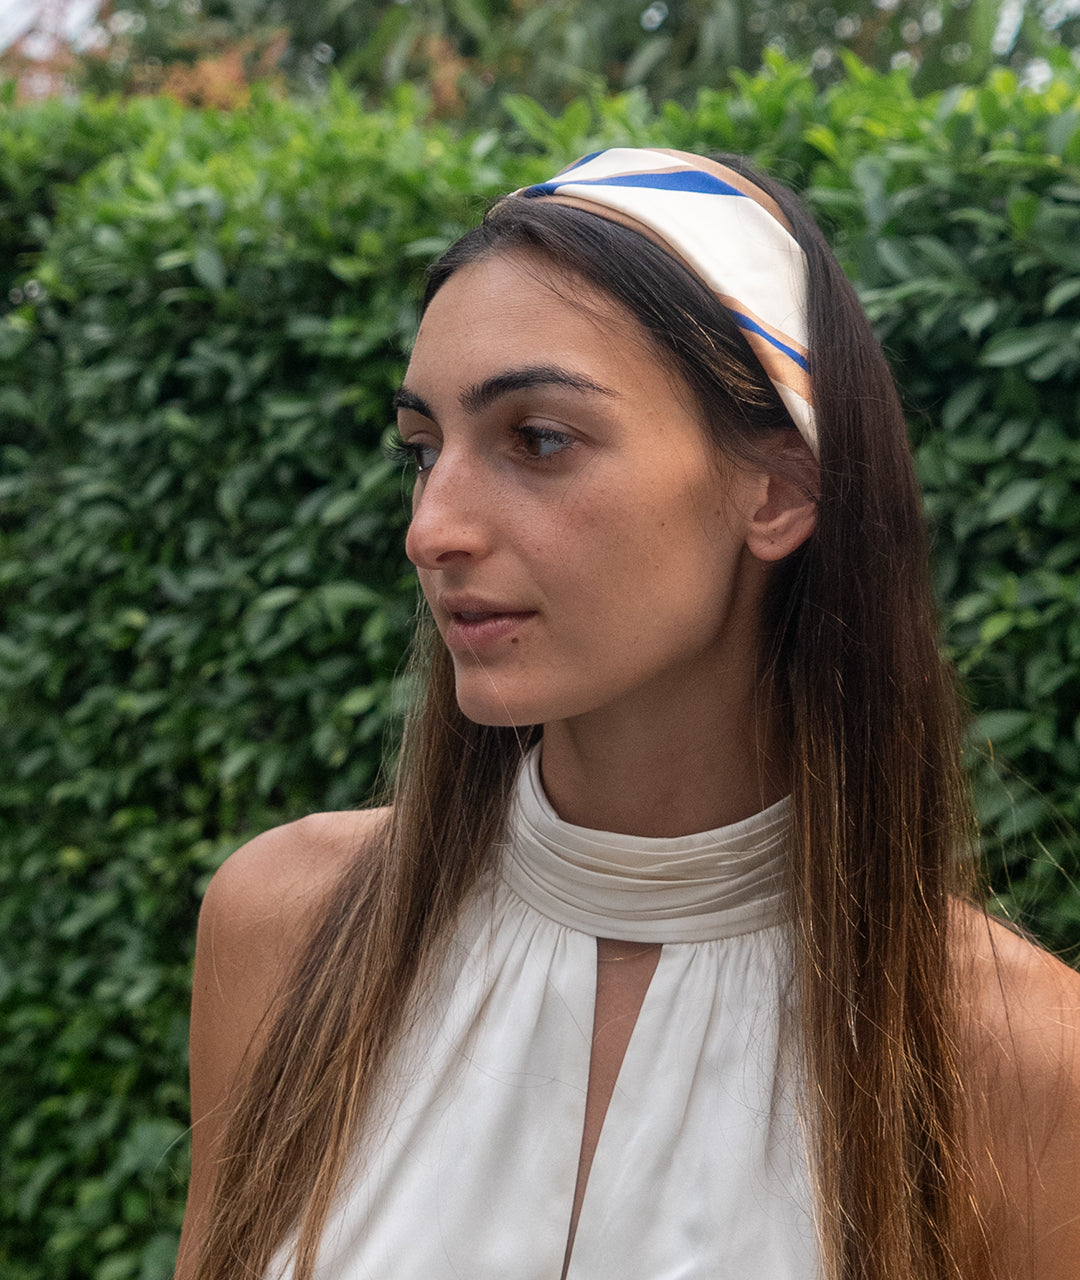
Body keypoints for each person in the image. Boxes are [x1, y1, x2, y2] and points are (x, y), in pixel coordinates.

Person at [176, 149, 1080, 1280]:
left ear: (779, 488)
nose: (431, 527)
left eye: (538, 439)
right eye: (423, 448)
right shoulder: (292, 925)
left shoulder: (1020, 1059)